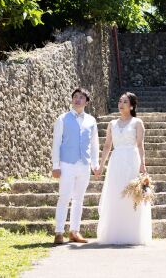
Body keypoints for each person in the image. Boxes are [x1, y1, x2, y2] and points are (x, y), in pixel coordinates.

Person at [96, 92, 153, 245]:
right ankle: (115, 234)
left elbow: (141, 145)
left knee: (132, 195)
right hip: (116, 161)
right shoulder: (112, 124)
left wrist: (143, 164)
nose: (121, 104)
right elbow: (107, 145)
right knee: (115, 194)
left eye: (125, 101)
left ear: (132, 105)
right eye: (120, 101)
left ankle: (133, 234)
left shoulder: (137, 122)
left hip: (132, 160)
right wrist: (101, 165)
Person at [51, 87, 100, 245]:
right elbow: (56, 143)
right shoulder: (62, 118)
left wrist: (95, 164)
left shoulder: (91, 120)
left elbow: (94, 144)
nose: (78, 99)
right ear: (72, 100)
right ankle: (59, 232)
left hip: (84, 165)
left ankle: (74, 231)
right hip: (66, 164)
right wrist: (55, 165)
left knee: (79, 199)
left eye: (81, 97)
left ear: (86, 101)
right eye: (75, 97)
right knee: (64, 197)